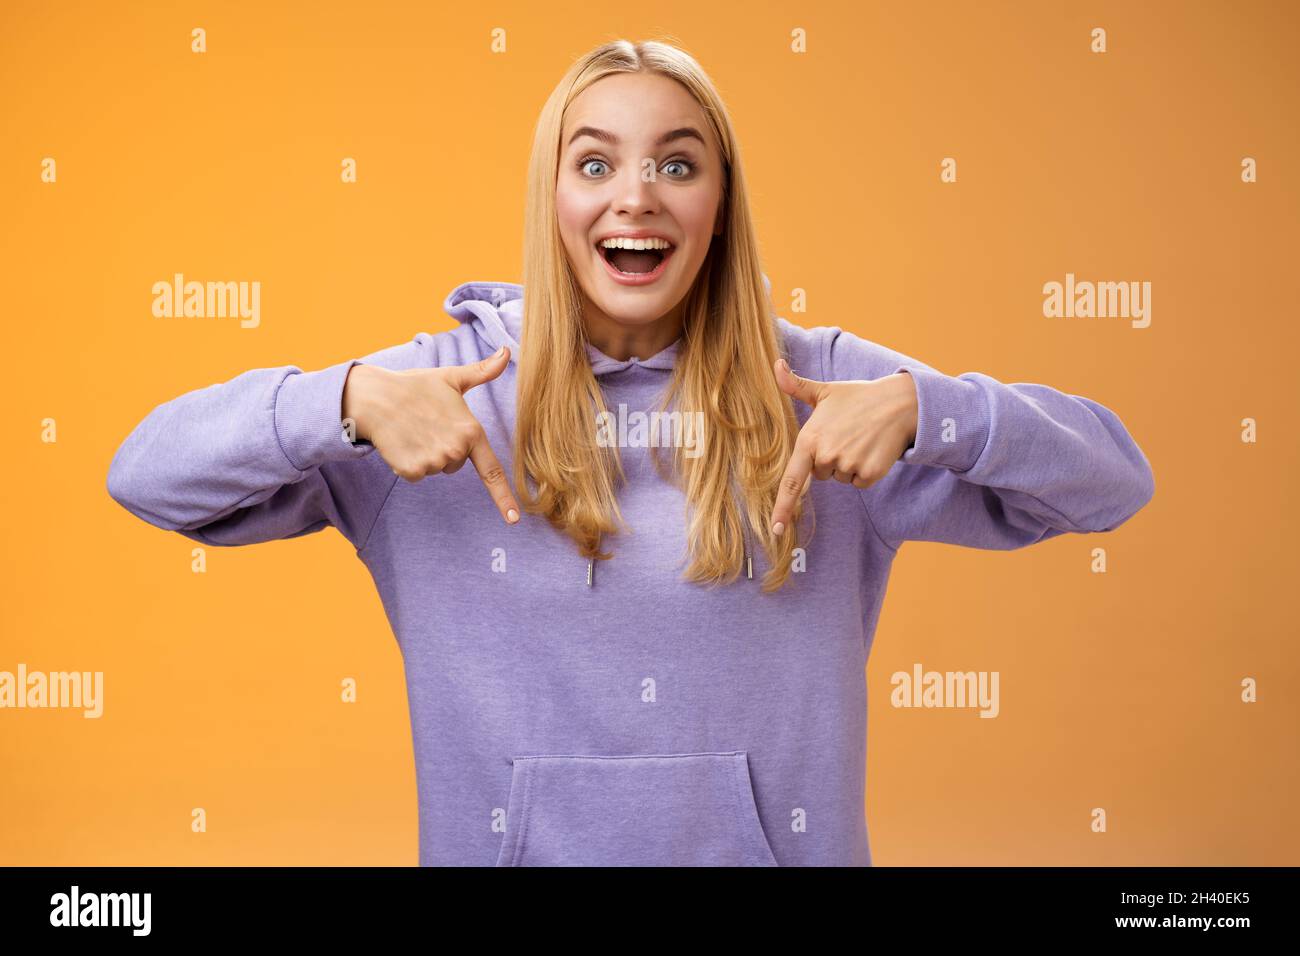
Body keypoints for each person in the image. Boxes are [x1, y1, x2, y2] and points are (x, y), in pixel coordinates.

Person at [106, 39, 1155, 866]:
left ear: (718, 205)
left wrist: (933, 411)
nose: (636, 195)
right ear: (553, 199)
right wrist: (332, 399)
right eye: (595, 160)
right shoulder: (442, 392)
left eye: (677, 164)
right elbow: (144, 474)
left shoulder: (821, 390)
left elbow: (1112, 480)